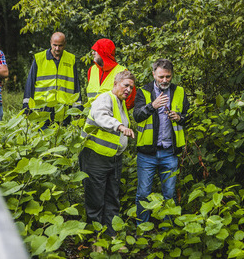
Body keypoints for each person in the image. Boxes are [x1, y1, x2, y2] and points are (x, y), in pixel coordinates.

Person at [133, 58, 189, 226]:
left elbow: (187, 117)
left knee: (170, 194)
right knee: (143, 194)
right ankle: (142, 228)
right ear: (153, 74)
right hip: (147, 153)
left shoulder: (179, 91)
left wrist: (179, 117)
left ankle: (168, 229)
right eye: (161, 77)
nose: (165, 80)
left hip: (170, 153)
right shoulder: (143, 92)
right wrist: (153, 105)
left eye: (168, 77)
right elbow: (137, 116)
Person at [79, 70, 135, 237]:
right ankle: (95, 240)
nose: (129, 90)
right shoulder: (105, 98)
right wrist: (120, 126)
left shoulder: (120, 102)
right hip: (96, 157)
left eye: (131, 87)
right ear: (115, 84)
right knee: (95, 200)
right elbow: (101, 116)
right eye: (126, 85)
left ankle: (111, 236)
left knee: (112, 199)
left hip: (113, 159)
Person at [23, 32, 82, 126]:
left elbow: (76, 86)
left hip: (64, 108)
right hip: (42, 107)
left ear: (65, 44)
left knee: (61, 138)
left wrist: (78, 108)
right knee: (42, 136)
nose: (57, 48)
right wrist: (26, 106)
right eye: (55, 45)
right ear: (50, 42)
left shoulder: (71, 59)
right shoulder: (39, 58)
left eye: (60, 45)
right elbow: (30, 84)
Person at [87, 38, 136, 109]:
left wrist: (118, 112)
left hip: (112, 118)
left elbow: (131, 100)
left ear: (102, 53)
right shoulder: (92, 70)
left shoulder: (122, 72)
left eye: (95, 51)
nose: (93, 53)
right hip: (93, 117)